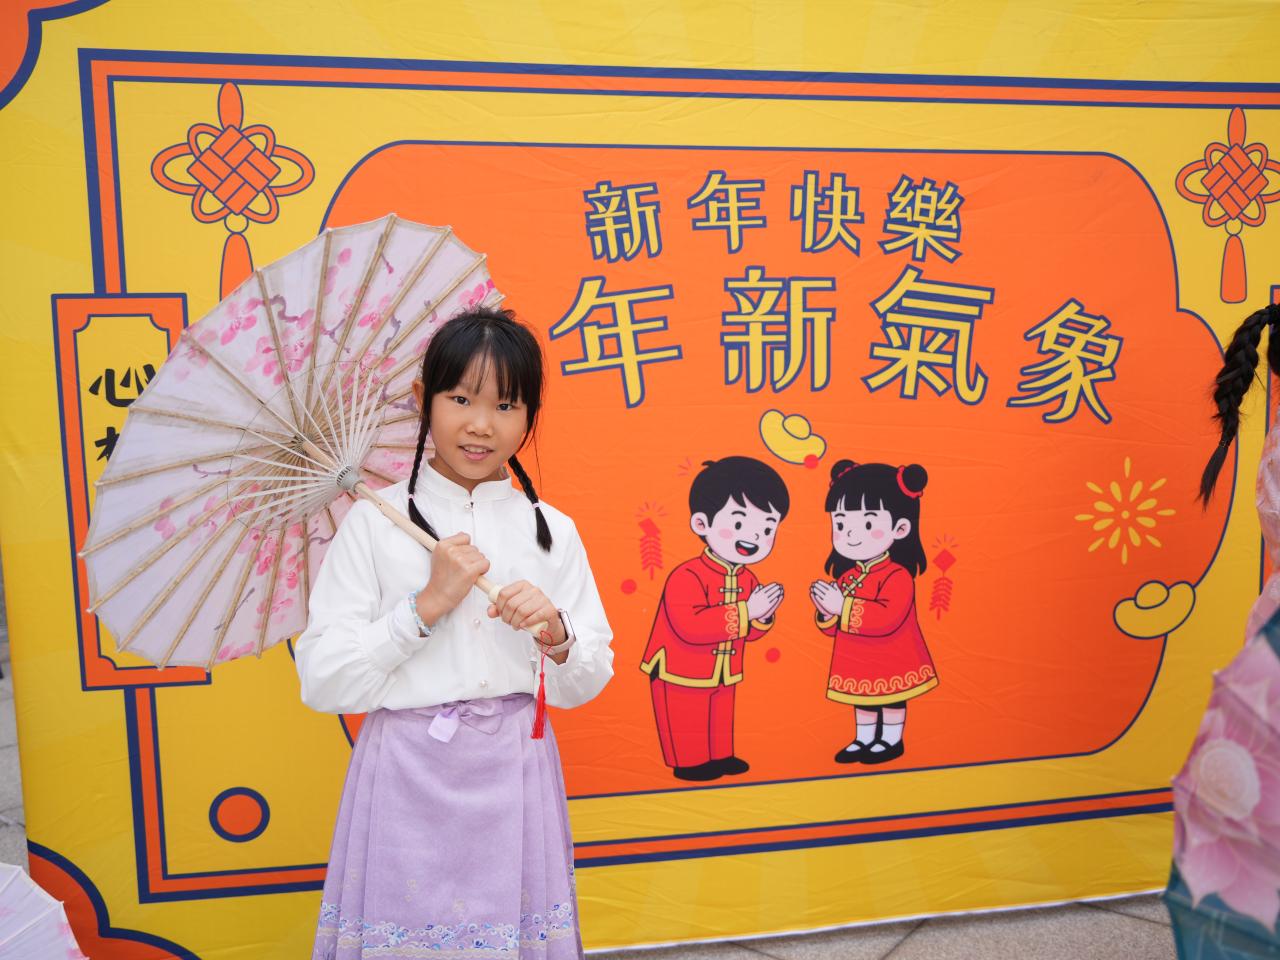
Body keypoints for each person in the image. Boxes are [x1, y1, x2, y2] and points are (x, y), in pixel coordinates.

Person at [295, 306, 614, 959]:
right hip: (405, 774)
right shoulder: (373, 524)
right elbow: (323, 680)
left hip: (515, 771)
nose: (480, 424)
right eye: (461, 399)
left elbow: (588, 678)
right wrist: (424, 607)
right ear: (423, 399)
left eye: (506, 405)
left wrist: (556, 634)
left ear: (530, 416)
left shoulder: (551, 531)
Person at [640, 456, 787, 781]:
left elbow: (748, 632)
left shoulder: (747, 578)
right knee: (686, 717)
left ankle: (720, 755)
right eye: (739, 523)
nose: (753, 536)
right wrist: (748, 611)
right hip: (679, 668)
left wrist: (762, 617)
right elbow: (691, 627)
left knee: (720, 711)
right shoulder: (687, 574)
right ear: (701, 524)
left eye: (766, 528)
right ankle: (690, 763)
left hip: (725, 667)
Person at [811, 459, 936, 765]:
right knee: (862, 700)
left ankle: (891, 739)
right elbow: (833, 628)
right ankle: (863, 739)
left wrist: (842, 607)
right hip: (856, 657)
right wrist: (826, 611)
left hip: (892, 655)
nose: (851, 535)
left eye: (868, 525)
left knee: (892, 699)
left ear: (900, 528)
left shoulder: (898, 576)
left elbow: (886, 618)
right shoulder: (848, 577)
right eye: (841, 524)